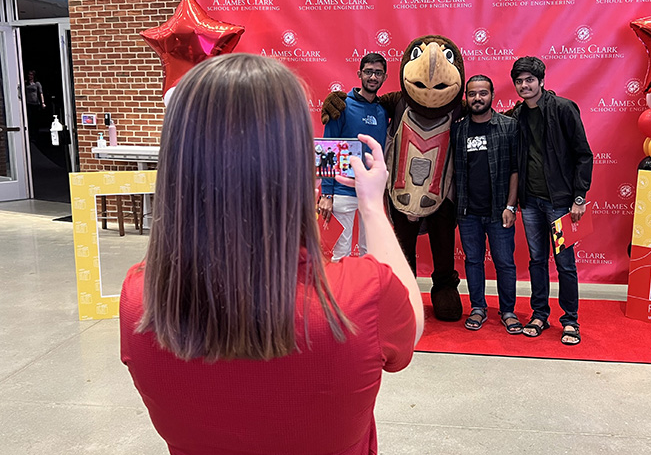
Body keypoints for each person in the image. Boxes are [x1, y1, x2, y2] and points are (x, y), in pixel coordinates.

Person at [119, 53, 424, 455]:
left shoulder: (140, 299)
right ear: (297, 160)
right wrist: (372, 206)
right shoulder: (359, 295)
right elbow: (412, 327)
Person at [509, 56, 593, 345]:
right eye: (519, 81)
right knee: (536, 261)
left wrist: (579, 197)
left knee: (565, 263)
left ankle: (570, 321)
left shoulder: (563, 109)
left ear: (541, 81)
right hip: (530, 202)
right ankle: (539, 314)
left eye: (529, 80)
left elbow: (584, 155)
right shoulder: (517, 115)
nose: (524, 85)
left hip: (561, 203)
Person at [450, 75, 520, 333]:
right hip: (468, 211)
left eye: (483, 93)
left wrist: (511, 206)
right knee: (473, 261)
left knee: (504, 262)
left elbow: (515, 170)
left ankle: (508, 310)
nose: (477, 98)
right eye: (472, 94)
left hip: (500, 210)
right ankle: (477, 308)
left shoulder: (509, 126)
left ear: (492, 95)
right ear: (466, 97)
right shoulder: (458, 129)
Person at [318, 53, 388, 262]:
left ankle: (367, 295)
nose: (373, 77)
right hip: (342, 191)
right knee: (341, 254)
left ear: (384, 77)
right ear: (359, 74)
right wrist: (327, 195)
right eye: (368, 72)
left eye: (378, 73)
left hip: (371, 192)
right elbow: (327, 150)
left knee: (371, 254)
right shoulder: (341, 106)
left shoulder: (384, 110)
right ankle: (340, 296)